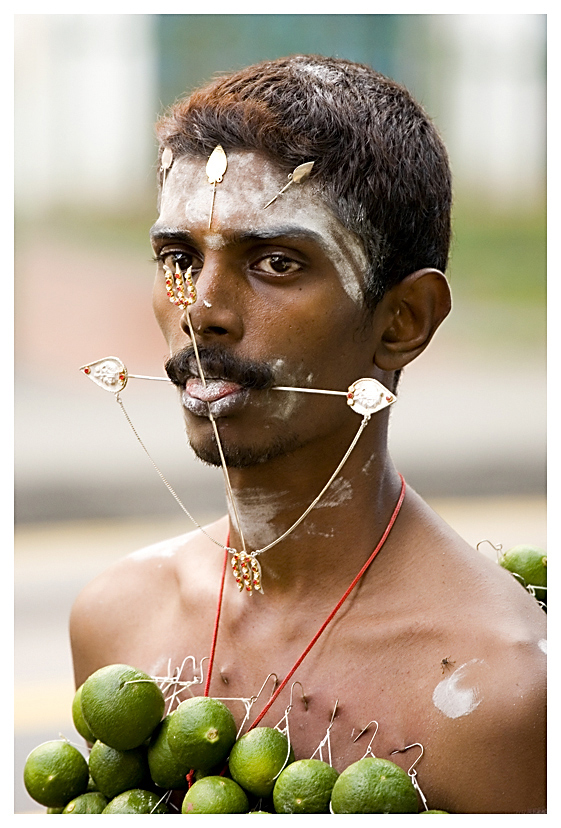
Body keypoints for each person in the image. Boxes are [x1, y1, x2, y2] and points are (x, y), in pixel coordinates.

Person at [70, 55, 546, 813]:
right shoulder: (117, 618)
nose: (202, 311)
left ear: (403, 321)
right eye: (178, 259)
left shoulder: (504, 693)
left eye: (275, 262)